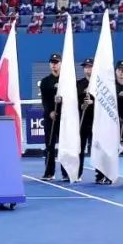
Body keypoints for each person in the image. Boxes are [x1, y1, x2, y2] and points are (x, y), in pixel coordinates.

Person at [76, 58, 107, 183]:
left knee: (98, 149)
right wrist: (82, 105)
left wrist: (93, 102)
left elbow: (104, 103)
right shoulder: (79, 84)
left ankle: (100, 175)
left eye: (90, 66)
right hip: (83, 121)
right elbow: (75, 102)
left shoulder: (100, 84)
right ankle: (77, 173)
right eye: (86, 67)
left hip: (97, 121)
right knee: (80, 148)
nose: (88, 69)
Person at [39, 53, 69, 181]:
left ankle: (66, 173)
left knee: (64, 146)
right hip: (50, 119)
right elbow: (44, 100)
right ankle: (49, 172)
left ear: (61, 64)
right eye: (52, 63)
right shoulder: (45, 81)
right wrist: (50, 111)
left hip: (64, 119)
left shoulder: (66, 80)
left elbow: (71, 99)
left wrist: (62, 101)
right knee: (49, 145)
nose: (54, 65)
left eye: (56, 62)